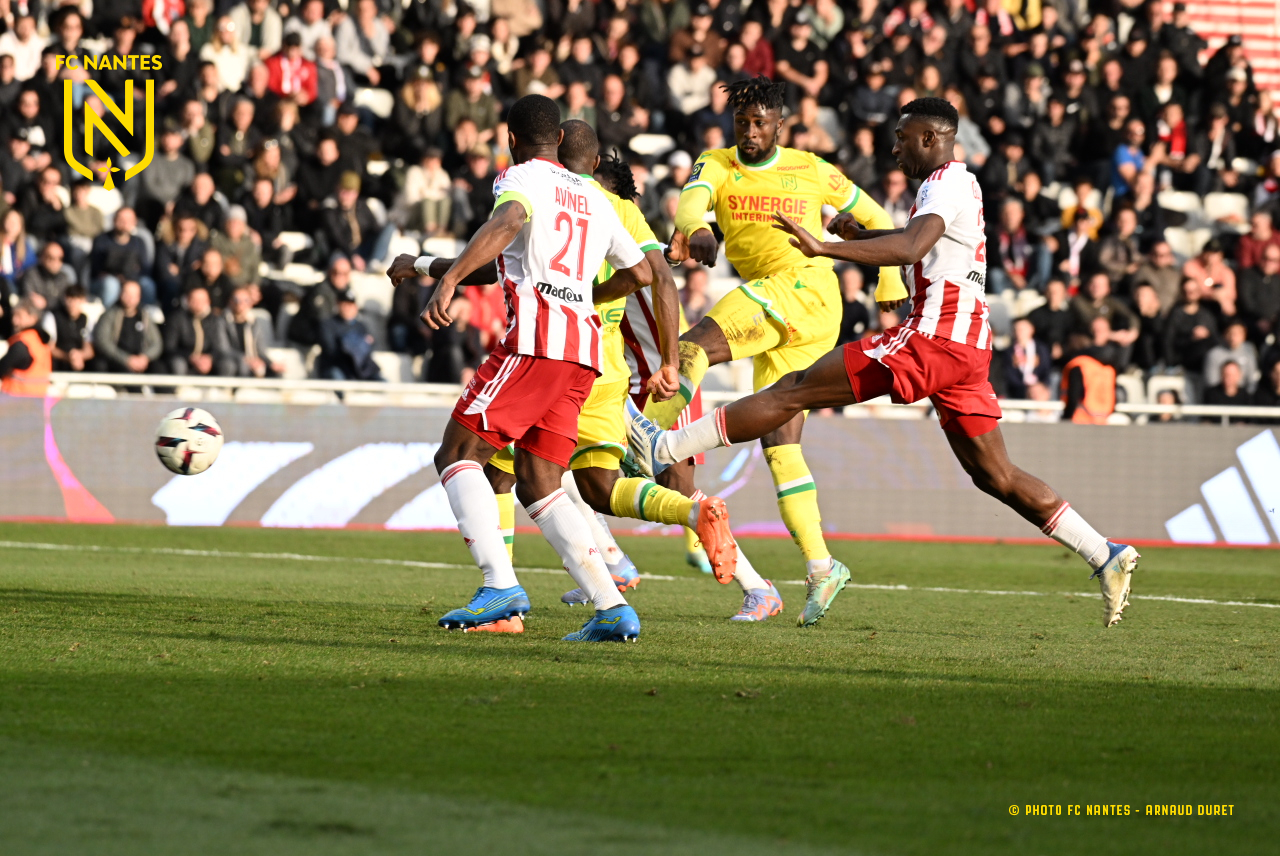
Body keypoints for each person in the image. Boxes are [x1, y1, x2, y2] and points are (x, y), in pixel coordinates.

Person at [629, 98, 1140, 629]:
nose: (893, 147)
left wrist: (827, 249)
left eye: (902, 137)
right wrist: (860, 236)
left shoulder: (944, 183)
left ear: (929, 138)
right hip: (966, 347)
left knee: (796, 389)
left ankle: (665, 445)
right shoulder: (950, 185)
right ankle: (1104, 552)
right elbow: (915, 243)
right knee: (997, 476)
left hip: (933, 338)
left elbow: (912, 248)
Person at [385, 94, 729, 643]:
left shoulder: (519, 179)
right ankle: (612, 606)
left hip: (536, 343)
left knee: (456, 454)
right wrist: (585, 296)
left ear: (512, 138)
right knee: (541, 482)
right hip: (583, 356)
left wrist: (446, 280)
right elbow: (643, 272)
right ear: (564, 142)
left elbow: (510, 219)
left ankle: (499, 585)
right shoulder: (595, 196)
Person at [653, 76, 905, 594]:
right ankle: (821, 566)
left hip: (801, 288)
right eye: (742, 122)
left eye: (759, 123)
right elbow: (689, 202)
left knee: (693, 346)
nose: (749, 132)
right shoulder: (717, 163)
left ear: (779, 125)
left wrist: (888, 277)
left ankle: (646, 438)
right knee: (780, 442)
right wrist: (697, 227)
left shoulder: (811, 169)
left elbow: (876, 215)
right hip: (799, 310)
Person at [93, 280, 163, 374]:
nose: (130, 298)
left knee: (160, 369)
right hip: (116, 361)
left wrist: (145, 357)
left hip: (141, 361)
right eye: (127, 294)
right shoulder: (109, 315)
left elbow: (156, 343)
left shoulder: (144, 317)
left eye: (134, 295)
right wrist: (126, 359)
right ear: (120, 294)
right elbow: (102, 341)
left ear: (139, 297)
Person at [163, 286, 235, 377]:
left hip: (209, 361)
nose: (198, 303)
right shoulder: (177, 319)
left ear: (208, 302)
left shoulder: (215, 320)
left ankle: (224, 390)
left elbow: (220, 347)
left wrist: (209, 358)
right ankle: (180, 389)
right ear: (187, 301)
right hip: (185, 359)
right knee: (177, 364)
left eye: (202, 300)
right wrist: (192, 357)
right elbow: (170, 347)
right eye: (194, 300)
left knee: (228, 365)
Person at [316, 289, 382, 381]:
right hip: (336, 367)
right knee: (337, 377)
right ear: (338, 305)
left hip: (357, 370)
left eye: (350, 305)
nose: (347, 308)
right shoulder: (328, 324)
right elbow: (331, 350)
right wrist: (353, 345)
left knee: (382, 382)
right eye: (344, 304)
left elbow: (370, 347)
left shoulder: (361, 326)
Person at [221, 286, 284, 377]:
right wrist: (247, 360)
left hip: (252, 360)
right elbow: (223, 349)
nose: (240, 303)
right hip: (234, 361)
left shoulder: (254, 323)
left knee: (276, 371)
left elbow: (260, 350)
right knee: (240, 366)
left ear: (250, 303)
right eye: (236, 300)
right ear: (230, 301)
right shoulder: (222, 321)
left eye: (245, 300)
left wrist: (271, 363)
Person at [0, 299, 52, 397]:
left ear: (33, 318)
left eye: (19, 316)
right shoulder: (41, 342)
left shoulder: (23, 343)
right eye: (14, 315)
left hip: (15, 401)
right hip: (37, 402)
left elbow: (2, 367)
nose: (14, 320)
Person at [48, 286, 95, 373]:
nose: (73, 304)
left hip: (80, 364)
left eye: (77, 300)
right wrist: (68, 357)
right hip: (59, 363)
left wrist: (79, 355)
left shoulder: (86, 319)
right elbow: (50, 347)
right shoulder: (53, 316)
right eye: (70, 300)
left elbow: (89, 351)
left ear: (83, 301)